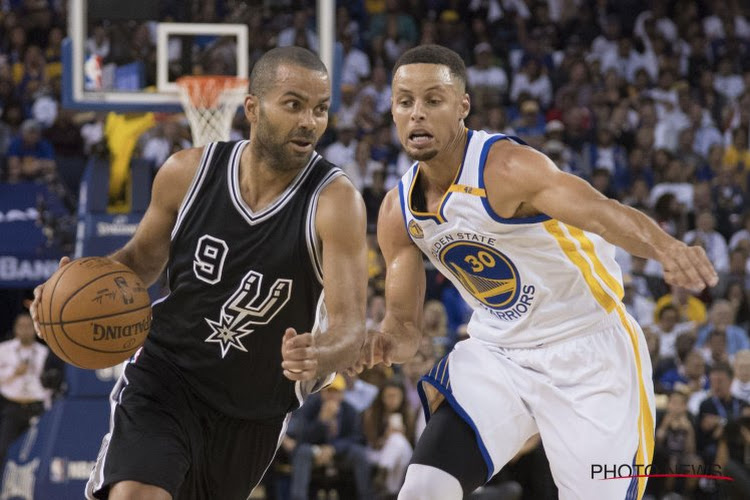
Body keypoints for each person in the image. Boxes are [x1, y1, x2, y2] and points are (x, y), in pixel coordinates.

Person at [357, 45, 718, 500]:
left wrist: (666, 248)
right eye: (404, 101)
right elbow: (405, 329)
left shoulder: (506, 167)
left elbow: (602, 213)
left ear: (463, 106)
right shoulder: (397, 210)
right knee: (424, 489)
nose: (417, 114)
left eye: (433, 100)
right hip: (499, 352)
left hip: (588, 350)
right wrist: (384, 341)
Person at [30, 47, 368, 500]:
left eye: (320, 109)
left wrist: (321, 355)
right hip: (168, 376)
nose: (309, 121)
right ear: (252, 108)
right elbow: (139, 262)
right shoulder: (186, 173)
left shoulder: (335, 202)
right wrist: (66, 290)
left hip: (255, 409)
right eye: (293, 105)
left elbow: (349, 326)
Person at [0, 311, 51, 467]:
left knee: (40, 452)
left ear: (36, 328)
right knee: (3, 449)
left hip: (37, 406)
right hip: (12, 406)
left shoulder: (44, 352)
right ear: (15, 328)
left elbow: (51, 384)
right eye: (21, 326)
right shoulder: (4, 349)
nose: (25, 330)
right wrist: (14, 372)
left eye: (29, 326)